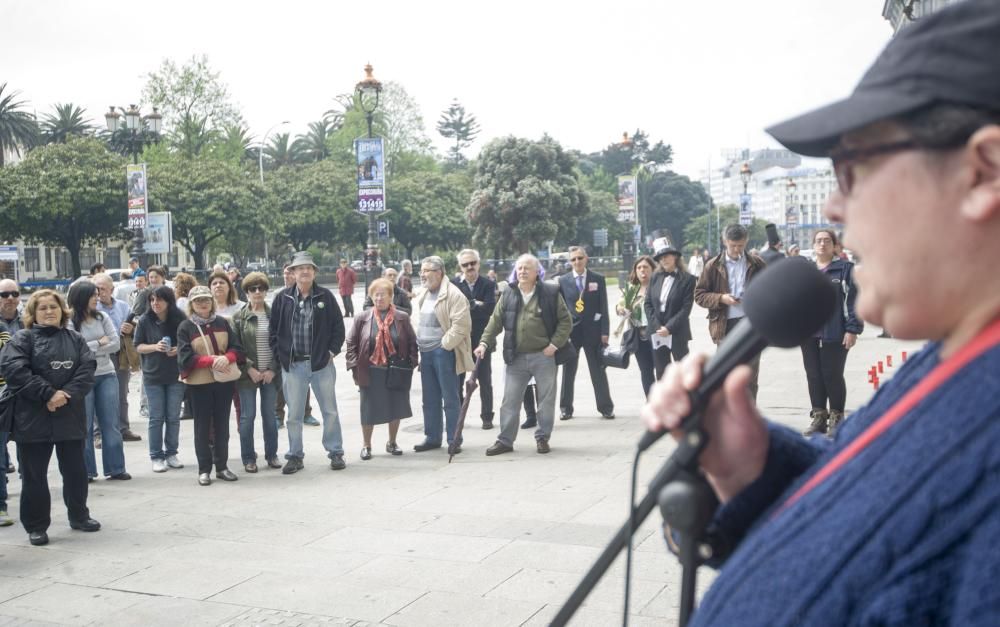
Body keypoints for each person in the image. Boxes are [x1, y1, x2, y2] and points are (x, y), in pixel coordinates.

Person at [643, 3, 1000, 624]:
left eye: (852, 169)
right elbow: (885, 511)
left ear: (982, 172)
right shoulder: (959, 353)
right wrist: (754, 466)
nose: (833, 207)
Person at [0, 290, 99, 546]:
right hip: (32, 419)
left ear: (62, 310)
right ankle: (36, 525)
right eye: (42, 308)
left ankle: (79, 515)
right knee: (34, 476)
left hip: (70, 415)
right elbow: (14, 371)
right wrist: (47, 394)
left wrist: (65, 394)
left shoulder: (75, 338)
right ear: (33, 313)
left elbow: (87, 369)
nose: (48, 311)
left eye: (53, 306)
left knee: (76, 472)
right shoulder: (21, 339)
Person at [476, 254, 572, 455]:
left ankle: (542, 437)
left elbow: (565, 321)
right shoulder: (508, 294)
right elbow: (495, 322)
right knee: (510, 400)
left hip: (544, 356)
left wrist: (555, 345)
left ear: (537, 272)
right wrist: (484, 343)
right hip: (516, 357)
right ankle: (505, 440)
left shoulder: (550, 292)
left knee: (545, 400)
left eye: (527, 268)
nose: (522, 272)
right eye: (519, 268)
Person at [269, 251, 347, 473]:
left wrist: (331, 351)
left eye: (309, 268)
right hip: (293, 366)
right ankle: (295, 455)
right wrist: (281, 355)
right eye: (300, 268)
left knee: (329, 410)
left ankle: (336, 452)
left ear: (314, 272)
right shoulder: (283, 298)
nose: (304, 271)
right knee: (294, 413)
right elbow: (273, 331)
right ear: (292, 273)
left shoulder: (325, 296)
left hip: (321, 365)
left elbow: (338, 327)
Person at [177, 285, 244, 486]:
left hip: (223, 381)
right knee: (202, 426)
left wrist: (229, 357)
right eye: (198, 301)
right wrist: (212, 361)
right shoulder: (185, 327)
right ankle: (204, 469)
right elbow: (185, 356)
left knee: (223, 424)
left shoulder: (223, 322)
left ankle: (222, 466)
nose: (203, 303)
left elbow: (237, 348)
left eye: (206, 299)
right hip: (199, 383)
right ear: (191, 304)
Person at [345, 278, 418, 459]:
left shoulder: (402, 317)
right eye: (375, 295)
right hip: (370, 371)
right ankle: (366, 445)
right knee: (368, 410)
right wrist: (354, 365)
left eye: (382, 295)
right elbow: (351, 342)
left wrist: (411, 363)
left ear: (391, 296)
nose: (379, 298)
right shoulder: (362, 318)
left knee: (396, 407)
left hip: (395, 370)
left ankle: (392, 442)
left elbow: (412, 342)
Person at [800, 229, 863, 437]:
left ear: (835, 246)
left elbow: (853, 302)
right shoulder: (807, 269)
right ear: (813, 245)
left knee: (832, 375)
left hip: (835, 331)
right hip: (809, 332)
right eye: (818, 241)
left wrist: (852, 329)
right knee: (814, 376)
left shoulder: (845, 269)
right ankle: (819, 416)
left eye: (827, 240)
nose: (822, 244)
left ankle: (837, 417)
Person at [66, 282, 130, 482]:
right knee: (84, 426)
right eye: (93, 295)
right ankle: (87, 471)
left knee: (110, 423)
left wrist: (89, 347)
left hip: (107, 374)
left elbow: (115, 343)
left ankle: (116, 468)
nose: (97, 297)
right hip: (81, 378)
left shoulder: (102, 317)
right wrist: (98, 343)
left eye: (98, 293)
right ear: (81, 297)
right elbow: (74, 350)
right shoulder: (68, 321)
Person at [694, 224, 766, 400]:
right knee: (725, 374)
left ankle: (748, 418)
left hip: (750, 324)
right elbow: (699, 295)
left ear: (746, 242)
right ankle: (728, 417)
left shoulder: (756, 264)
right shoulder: (712, 265)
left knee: (749, 376)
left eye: (740, 245)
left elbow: (770, 290)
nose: (736, 249)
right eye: (733, 245)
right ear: (725, 241)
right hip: (724, 325)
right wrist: (721, 299)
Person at [411, 256, 474, 452]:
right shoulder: (423, 293)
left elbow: (461, 326)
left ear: (439, 273)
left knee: (450, 398)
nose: (422, 274)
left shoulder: (454, 295)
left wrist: (444, 345)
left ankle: (454, 440)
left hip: (444, 353)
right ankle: (432, 438)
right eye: (421, 270)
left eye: (427, 270)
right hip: (426, 353)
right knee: (429, 399)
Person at [231, 272, 282, 473]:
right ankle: (248, 458)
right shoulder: (238, 318)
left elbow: (282, 344)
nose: (257, 292)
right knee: (247, 416)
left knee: (270, 415)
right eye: (253, 289)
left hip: (270, 374)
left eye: (261, 288)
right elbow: (236, 347)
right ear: (246, 292)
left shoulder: (274, 315)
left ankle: (272, 455)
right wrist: (249, 367)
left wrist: (272, 369)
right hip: (247, 376)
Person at [557, 246, 614, 420]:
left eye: (580, 258)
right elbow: (560, 308)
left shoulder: (598, 279)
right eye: (573, 259)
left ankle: (605, 407)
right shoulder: (563, 281)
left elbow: (603, 306)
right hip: (571, 333)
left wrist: (605, 331)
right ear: (570, 262)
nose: (577, 262)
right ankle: (566, 408)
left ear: (586, 258)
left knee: (598, 370)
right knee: (568, 372)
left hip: (593, 332)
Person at [133, 286, 186, 473]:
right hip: (152, 375)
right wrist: (155, 347)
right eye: (152, 299)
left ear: (169, 301)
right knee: (156, 417)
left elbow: (189, 343)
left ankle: (171, 453)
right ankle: (156, 455)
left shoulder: (180, 319)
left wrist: (178, 349)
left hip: (175, 375)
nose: (155, 303)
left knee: (173, 416)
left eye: (160, 299)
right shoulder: (144, 320)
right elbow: (137, 346)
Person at [93, 274, 142, 443]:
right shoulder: (92, 308)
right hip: (100, 354)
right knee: (99, 395)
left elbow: (135, 326)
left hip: (121, 354)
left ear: (112, 290)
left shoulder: (122, 306)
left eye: (103, 289)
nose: (100, 293)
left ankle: (123, 428)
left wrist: (131, 327)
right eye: (97, 289)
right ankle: (98, 433)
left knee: (121, 394)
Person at [452, 249, 497, 430]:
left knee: (485, 380)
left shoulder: (488, 284)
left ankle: (487, 417)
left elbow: (489, 310)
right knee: (458, 380)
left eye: (473, 263)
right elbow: (454, 311)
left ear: (478, 263)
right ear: (460, 266)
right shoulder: (454, 284)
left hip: (482, 340)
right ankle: (458, 417)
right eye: (465, 264)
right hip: (461, 341)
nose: (469, 267)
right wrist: (476, 303)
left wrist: (470, 305)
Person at [644, 238, 696, 381]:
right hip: (657, 332)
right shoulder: (655, 277)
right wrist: (657, 326)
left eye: (667, 256)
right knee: (661, 371)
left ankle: (688, 401)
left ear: (675, 256)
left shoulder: (688, 279)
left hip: (678, 331)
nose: (664, 259)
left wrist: (669, 328)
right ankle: (665, 402)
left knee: (683, 371)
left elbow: (686, 309)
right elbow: (647, 304)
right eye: (661, 257)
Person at [616, 255, 656, 397]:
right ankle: (651, 402)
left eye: (645, 267)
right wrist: (620, 309)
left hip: (657, 335)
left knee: (662, 369)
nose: (642, 270)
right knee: (646, 371)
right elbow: (620, 305)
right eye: (639, 268)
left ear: (653, 269)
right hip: (638, 337)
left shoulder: (657, 287)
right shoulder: (631, 290)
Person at [0, 279, 23, 473]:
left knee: (24, 431)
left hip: (22, 385)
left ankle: (26, 471)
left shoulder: (27, 321)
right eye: (4, 294)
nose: (10, 298)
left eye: (14, 294)